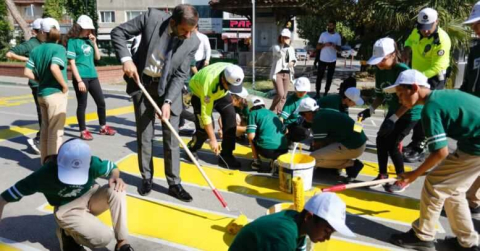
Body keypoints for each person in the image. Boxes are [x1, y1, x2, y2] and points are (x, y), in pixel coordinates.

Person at [110, 5, 200, 202]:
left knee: (172, 138)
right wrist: (126, 59)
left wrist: (168, 101)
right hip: (143, 84)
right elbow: (118, 32)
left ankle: (174, 183)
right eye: (184, 30)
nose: (187, 35)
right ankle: (147, 178)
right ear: (173, 22)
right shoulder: (152, 19)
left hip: (169, 90)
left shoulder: (193, 41)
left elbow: (181, 74)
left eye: (191, 31)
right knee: (145, 135)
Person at [386, 70, 480, 251]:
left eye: (400, 94)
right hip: (473, 145)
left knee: (435, 185)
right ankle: (468, 242)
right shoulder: (441, 96)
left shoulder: (430, 109)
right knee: (453, 191)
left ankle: (422, 235)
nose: (400, 100)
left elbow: (440, 152)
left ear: (414, 88)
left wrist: (413, 174)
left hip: (475, 148)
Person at [0, 139, 133, 251]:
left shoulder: (92, 163)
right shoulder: (43, 176)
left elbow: (112, 167)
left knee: (117, 189)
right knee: (103, 239)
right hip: (68, 208)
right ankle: (67, 234)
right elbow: (3, 198)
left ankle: (122, 242)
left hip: (91, 196)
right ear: (58, 162)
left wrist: (116, 177)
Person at [358, 37, 422, 193]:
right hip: (394, 110)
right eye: (377, 61)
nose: (379, 64)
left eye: (382, 60)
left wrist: (393, 119)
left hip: (409, 112)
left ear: (393, 55)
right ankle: (382, 175)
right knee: (381, 139)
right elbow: (381, 94)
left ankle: (402, 178)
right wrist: (370, 110)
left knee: (393, 143)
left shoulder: (403, 71)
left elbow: (409, 102)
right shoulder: (380, 71)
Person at [402, 7, 451, 163]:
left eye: (428, 28)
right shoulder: (417, 30)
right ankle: (416, 142)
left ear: (436, 22)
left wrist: (417, 77)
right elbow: (409, 40)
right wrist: (407, 48)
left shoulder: (442, 39)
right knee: (416, 109)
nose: (425, 32)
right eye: (423, 28)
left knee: (427, 111)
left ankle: (420, 145)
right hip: (418, 75)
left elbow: (438, 67)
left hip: (433, 78)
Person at [229, 192, 355, 251]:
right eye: (326, 231)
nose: (327, 237)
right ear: (309, 217)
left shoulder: (296, 220)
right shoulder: (284, 235)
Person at [24, 18, 68, 165]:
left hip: (41, 93)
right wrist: (64, 85)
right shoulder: (59, 49)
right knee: (56, 133)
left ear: (42, 32)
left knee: (45, 131)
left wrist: (40, 81)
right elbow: (54, 68)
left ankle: (44, 163)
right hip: (55, 93)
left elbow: (27, 72)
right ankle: (53, 167)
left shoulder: (36, 50)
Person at [66, 15, 116, 140]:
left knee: (101, 102)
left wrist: (94, 43)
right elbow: (72, 63)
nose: (89, 31)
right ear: (79, 28)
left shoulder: (89, 40)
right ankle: (83, 130)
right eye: (87, 28)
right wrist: (79, 81)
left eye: (90, 29)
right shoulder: (72, 42)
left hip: (93, 76)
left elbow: (97, 58)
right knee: (82, 104)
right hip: (81, 77)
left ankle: (103, 127)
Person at [187, 63, 245, 169]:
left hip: (221, 94)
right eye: (230, 87)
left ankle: (227, 155)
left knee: (230, 117)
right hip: (200, 94)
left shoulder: (233, 71)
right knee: (204, 129)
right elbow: (206, 116)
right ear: (223, 80)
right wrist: (213, 140)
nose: (232, 90)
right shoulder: (209, 85)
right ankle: (192, 148)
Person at [299, 98, 365, 183]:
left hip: (354, 147)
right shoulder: (323, 111)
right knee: (323, 151)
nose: (303, 118)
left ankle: (351, 165)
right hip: (357, 142)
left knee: (313, 159)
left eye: (302, 115)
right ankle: (342, 164)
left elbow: (318, 145)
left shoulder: (318, 120)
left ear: (308, 113)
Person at [6, 18, 43, 154]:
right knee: (42, 112)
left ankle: (43, 139)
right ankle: (38, 139)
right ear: (36, 32)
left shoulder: (46, 43)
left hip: (46, 82)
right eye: (42, 31)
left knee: (48, 113)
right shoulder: (30, 44)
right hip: (36, 83)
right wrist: (27, 59)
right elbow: (9, 53)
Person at [462, 0, 480, 218]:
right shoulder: (475, 50)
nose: (474, 28)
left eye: (478, 23)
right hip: (474, 109)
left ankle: (471, 197)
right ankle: (472, 198)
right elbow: (468, 80)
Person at [247, 97, 288, 172]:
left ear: (250, 107)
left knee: (251, 139)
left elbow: (251, 136)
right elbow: (286, 131)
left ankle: (256, 162)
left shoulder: (253, 113)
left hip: (267, 150)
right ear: (263, 105)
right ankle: (275, 161)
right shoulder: (273, 114)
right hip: (284, 150)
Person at [269, 28, 296, 114]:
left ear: (290, 39)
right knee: (280, 94)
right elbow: (280, 54)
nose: (284, 39)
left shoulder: (291, 48)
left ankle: (279, 112)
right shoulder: (276, 47)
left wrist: (293, 62)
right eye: (283, 37)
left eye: (286, 37)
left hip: (287, 73)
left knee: (284, 96)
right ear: (280, 37)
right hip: (278, 73)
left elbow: (294, 59)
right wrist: (286, 45)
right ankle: (272, 110)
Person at [279, 77, 311, 143]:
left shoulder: (308, 98)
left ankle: (316, 142)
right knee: (305, 133)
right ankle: (289, 138)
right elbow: (281, 118)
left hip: (301, 120)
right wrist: (283, 129)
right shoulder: (291, 101)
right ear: (295, 89)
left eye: (304, 91)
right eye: (300, 91)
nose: (302, 93)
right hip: (290, 124)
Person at [315, 20, 342, 98]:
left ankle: (326, 93)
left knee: (329, 77)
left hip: (332, 60)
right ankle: (317, 93)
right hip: (322, 59)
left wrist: (334, 46)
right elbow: (317, 47)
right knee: (319, 76)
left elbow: (340, 49)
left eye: (331, 25)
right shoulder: (323, 34)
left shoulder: (337, 36)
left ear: (334, 26)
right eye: (328, 25)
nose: (329, 27)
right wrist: (324, 45)